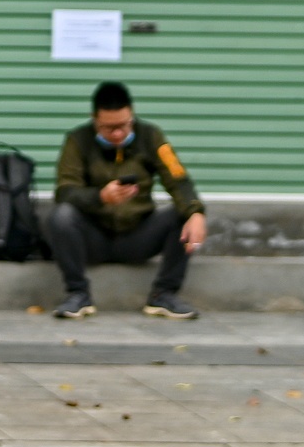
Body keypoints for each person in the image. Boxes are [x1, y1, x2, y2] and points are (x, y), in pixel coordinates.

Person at [48, 81, 207, 320]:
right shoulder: (77, 140)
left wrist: (196, 212)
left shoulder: (151, 136)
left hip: (138, 235)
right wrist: (100, 197)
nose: (117, 134)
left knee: (182, 213)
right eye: (108, 128)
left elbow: (178, 179)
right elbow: (65, 191)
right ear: (94, 119)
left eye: (123, 125)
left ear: (131, 115)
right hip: (93, 238)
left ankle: (163, 295)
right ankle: (78, 294)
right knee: (60, 216)